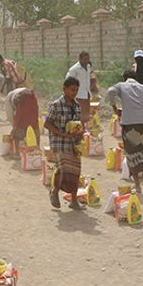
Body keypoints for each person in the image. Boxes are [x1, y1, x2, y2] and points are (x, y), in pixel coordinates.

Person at [108, 70, 143, 193]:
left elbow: (110, 91)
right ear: (136, 78)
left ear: (124, 78)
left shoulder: (121, 85)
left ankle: (137, 186)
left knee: (132, 154)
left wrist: (114, 108)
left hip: (129, 124)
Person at [44, 77, 84, 210]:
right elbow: (47, 124)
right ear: (64, 89)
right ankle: (54, 192)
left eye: (76, 90)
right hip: (59, 142)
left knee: (75, 172)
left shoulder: (77, 106)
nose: (74, 92)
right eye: (72, 89)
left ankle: (74, 200)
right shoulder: (55, 105)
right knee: (63, 170)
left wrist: (80, 133)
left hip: (74, 144)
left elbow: (78, 124)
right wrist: (62, 134)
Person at [66, 51, 93, 124]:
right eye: (84, 59)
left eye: (87, 59)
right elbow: (67, 80)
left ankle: (85, 130)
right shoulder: (74, 69)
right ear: (80, 59)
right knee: (80, 113)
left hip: (87, 93)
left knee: (87, 113)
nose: (86, 61)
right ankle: (80, 129)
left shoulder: (88, 66)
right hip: (79, 94)